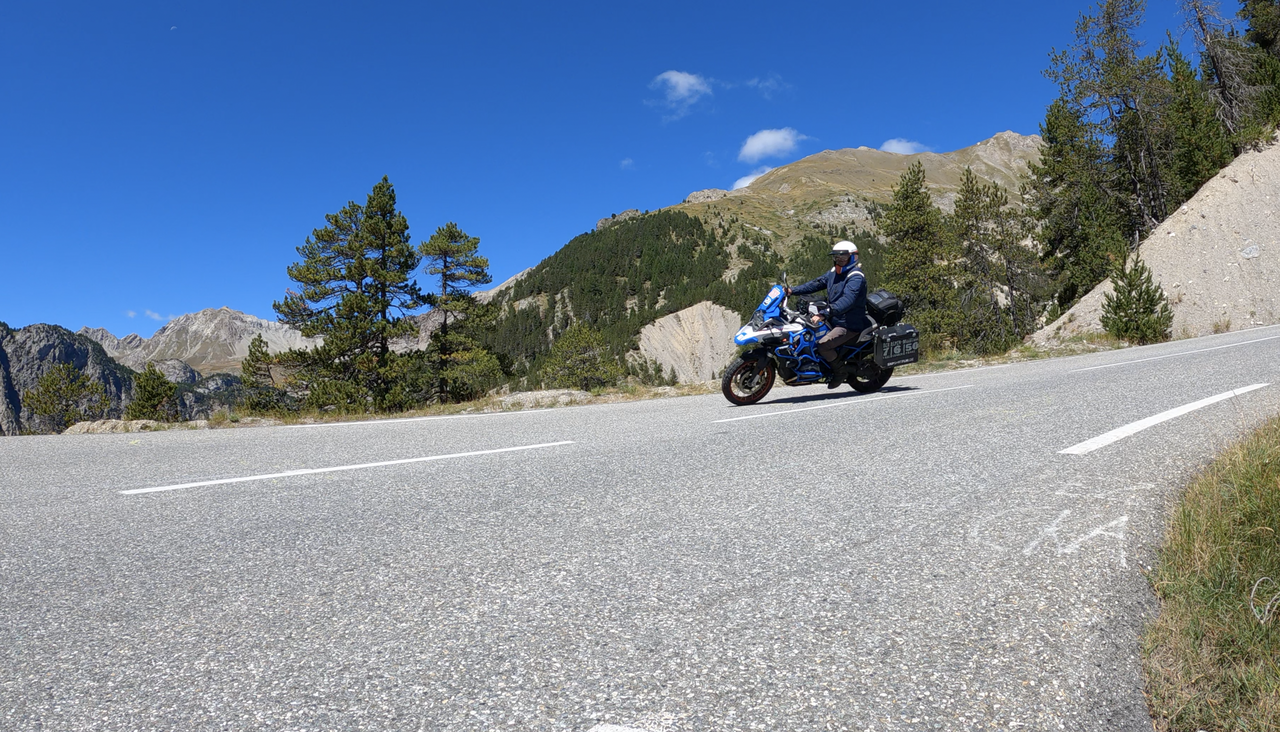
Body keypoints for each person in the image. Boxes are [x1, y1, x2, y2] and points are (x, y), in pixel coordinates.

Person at [784, 240, 870, 388]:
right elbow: (816, 283)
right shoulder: (833, 273)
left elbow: (847, 301)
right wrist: (792, 291)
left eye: (843, 257)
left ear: (853, 257)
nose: (840, 260)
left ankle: (840, 372)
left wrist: (825, 313)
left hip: (848, 323)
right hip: (835, 319)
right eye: (837, 257)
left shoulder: (856, 277)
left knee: (823, 345)